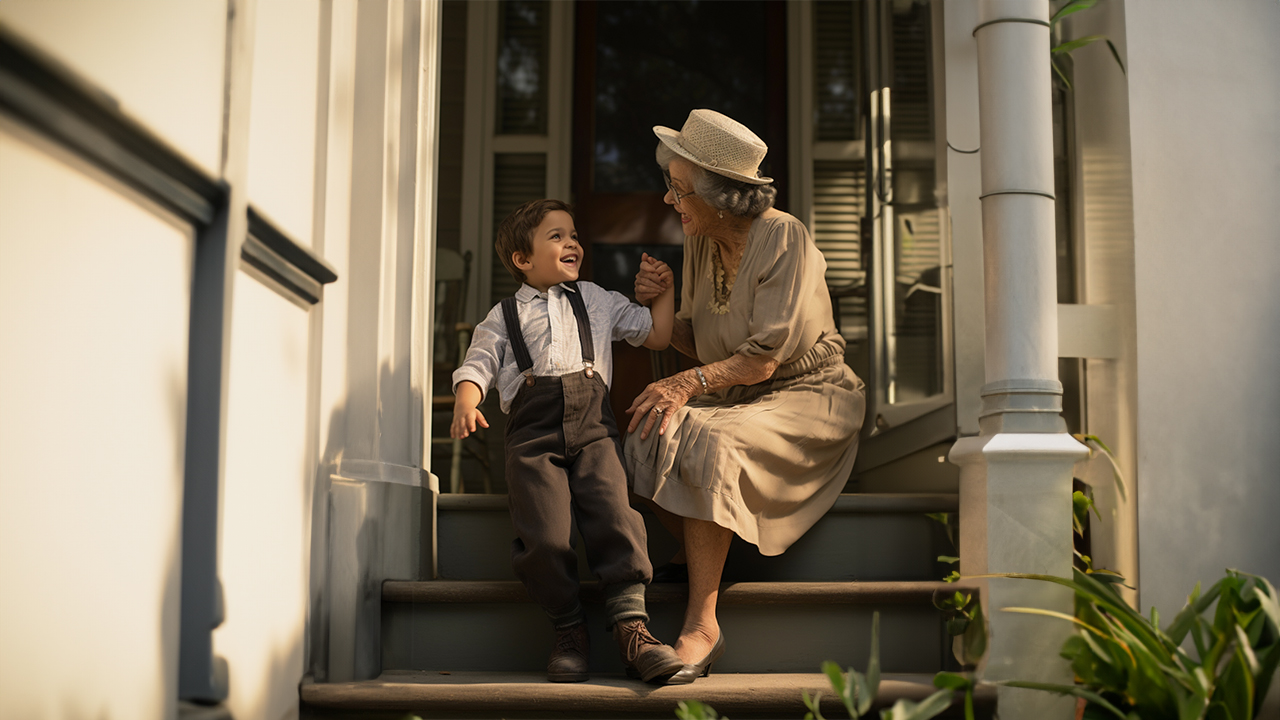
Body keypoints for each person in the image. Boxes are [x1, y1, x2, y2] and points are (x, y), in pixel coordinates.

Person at [625, 109, 867, 685]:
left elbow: (761, 357)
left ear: (724, 196)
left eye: (679, 190)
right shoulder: (702, 239)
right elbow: (695, 339)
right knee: (643, 429)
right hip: (739, 394)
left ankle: (703, 623)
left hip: (810, 394)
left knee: (704, 432)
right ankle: (701, 535)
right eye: (670, 186)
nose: (668, 200)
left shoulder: (786, 236)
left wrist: (686, 384)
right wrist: (656, 303)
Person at [450, 198, 684, 684]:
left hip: (594, 429)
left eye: (573, 235)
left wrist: (664, 292)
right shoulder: (503, 316)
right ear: (522, 259)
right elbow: (477, 364)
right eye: (557, 236)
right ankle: (568, 629)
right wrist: (467, 400)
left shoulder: (597, 299)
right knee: (545, 532)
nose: (572, 242)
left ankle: (631, 629)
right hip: (531, 438)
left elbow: (657, 335)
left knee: (615, 514)